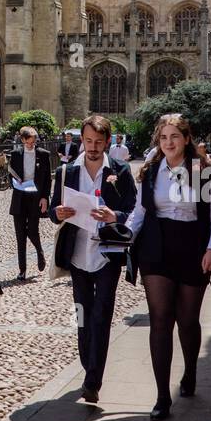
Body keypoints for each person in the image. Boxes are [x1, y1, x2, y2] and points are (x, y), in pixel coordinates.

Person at [128, 113, 211, 420]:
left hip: (193, 247)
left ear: (186, 139)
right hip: (156, 247)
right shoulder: (152, 170)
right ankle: (161, 397)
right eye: (163, 138)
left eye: (174, 136)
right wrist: (122, 234)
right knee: (160, 319)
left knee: (187, 320)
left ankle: (190, 371)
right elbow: (140, 212)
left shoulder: (202, 171)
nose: (169, 142)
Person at [49, 114, 137, 403]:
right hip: (77, 253)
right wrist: (58, 213)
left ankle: (92, 380)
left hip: (107, 252)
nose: (93, 147)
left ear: (108, 142)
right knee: (83, 315)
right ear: (82, 140)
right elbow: (52, 211)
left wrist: (116, 216)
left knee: (102, 314)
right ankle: (89, 365)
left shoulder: (121, 171)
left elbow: (134, 211)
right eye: (88, 141)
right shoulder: (67, 172)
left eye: (99, 142)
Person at [8, 126, 52, 279]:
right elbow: (10, 175)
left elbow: (47, 179)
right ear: (22, 140)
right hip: (19, 197)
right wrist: (15, 181)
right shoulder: (14, 154)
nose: (31, 144)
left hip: (35, 197)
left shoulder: (44, 155)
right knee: (20, 236)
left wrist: (45, 197)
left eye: (34, 142)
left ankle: (40, 252)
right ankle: (22, 270)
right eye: (29, 142)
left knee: (33, 230)